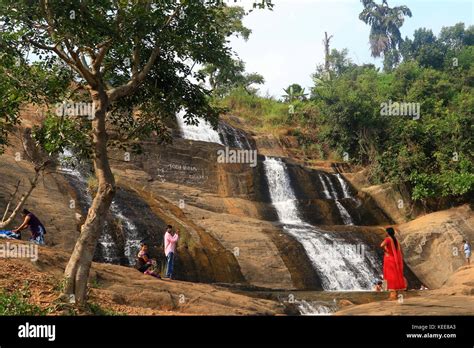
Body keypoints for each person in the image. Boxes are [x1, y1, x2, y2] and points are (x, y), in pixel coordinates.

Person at [380, 226, 407, 300]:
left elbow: (381, 245)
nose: (385, 233)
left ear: (388, 232)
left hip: (389, 259)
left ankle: (393, 295)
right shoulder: (396, 240)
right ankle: (398, 293)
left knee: (390, 276)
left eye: (386, 232)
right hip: (396, 259)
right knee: (396, 274)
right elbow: (399, 250)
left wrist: (386, 250)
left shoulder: (388, 239)